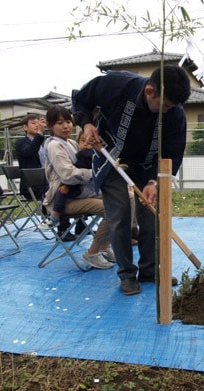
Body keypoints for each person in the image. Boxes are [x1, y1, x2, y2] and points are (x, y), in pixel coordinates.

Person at [72, 65, 191, 295]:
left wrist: (154, 183)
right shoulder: (116, 84)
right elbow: (81, 98)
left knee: (151, 216)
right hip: (111, 156)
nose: (167, 111)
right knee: (119, 214)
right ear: (149, 91)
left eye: (172, 107)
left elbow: (173, 151)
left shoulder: (175, 113)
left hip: (147, 165)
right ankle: (127, 274)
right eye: (165, 106)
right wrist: (86, 124)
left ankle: (150, 271)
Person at [42, 105, 114, 270]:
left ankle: (104, 246)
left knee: (126, 199)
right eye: (60, 123)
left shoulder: (72, 143)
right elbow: (68, 175)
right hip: (64, 199)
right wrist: (94, 173)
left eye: (68, 121)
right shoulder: (54, 145)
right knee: (112, 208)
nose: (66, 126)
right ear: (50, 125)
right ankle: (93, 252)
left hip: (81, 193)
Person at [15, 114, 45, 200]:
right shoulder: (21, 142)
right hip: (32, 187)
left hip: (45, 182)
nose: (37, 125)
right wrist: (39, 133)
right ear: (25, 127)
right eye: (33, 123)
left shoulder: (41, 143)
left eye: (38, 123)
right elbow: (29, 152)